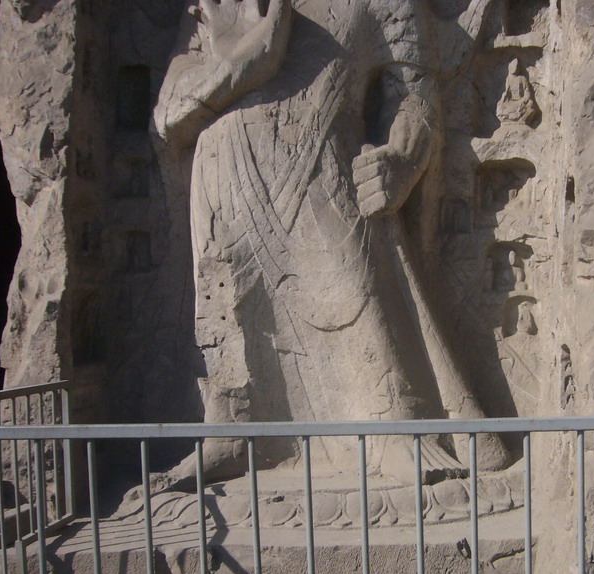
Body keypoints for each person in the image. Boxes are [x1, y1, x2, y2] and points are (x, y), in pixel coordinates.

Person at [153, 0, 507, 482]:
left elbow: (415, 98)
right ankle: (234, 433)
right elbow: (169, 111)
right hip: (222, 178)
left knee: (356, 298)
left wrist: (402, 158)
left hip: (323, 171)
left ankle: (394, 430)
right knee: (232, 320)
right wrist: (247, 55)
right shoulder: (216, 7)